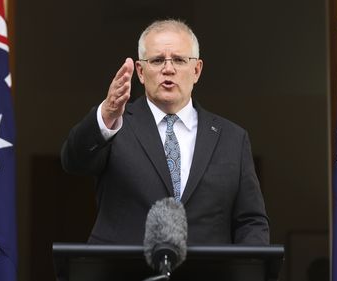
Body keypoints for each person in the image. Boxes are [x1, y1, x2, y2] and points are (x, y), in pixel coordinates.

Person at [61, 19, 269, 245]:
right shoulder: (115, 124)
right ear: (140, 72)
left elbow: (251, 222)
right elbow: (74, 161)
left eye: (179, 60)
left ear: (196, 70)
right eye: (158, 60)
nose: (168, 69)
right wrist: (108, 113)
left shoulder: (233, 139)